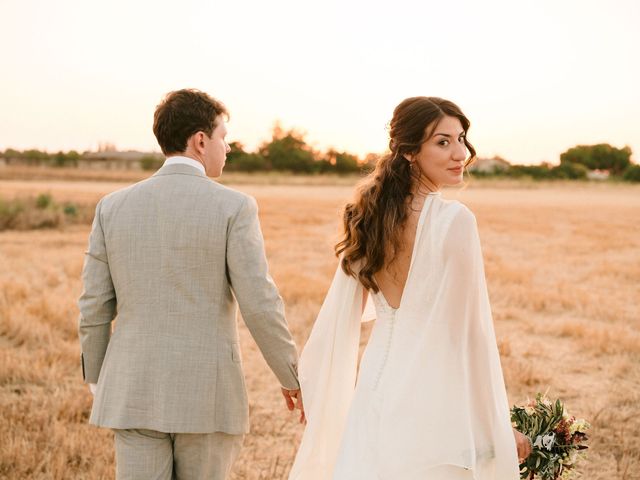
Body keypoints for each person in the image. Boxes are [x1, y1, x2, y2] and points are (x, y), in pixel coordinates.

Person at [289, 97, 532, 479]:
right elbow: (469, 335)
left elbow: (340, 316)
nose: (460, 153)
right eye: (442, 141)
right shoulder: (454, 220)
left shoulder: (367, 217)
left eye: (461, 139)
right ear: (409, 153)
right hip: (433, 392)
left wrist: (318, 386)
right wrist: (497, 424)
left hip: (376, 386)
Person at [78, 88, 302, 480]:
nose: (227, 148)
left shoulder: (111, 207)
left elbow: (94, 305)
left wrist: (97, 378)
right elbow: (260, 303)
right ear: (200, 141)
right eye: (223, 137)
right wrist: (292, 377)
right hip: (207, 397)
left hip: (132, 391)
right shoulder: (234, 207)